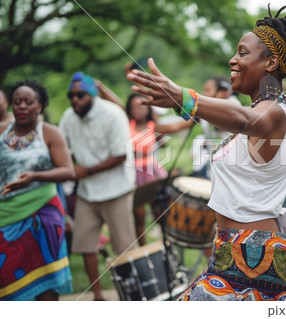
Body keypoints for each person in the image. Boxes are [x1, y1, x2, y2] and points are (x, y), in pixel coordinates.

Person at [128, 5, 286, 301]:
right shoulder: (262, 110)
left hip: (253, 253)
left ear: (271, 63)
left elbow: (242, 119)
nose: (232, 59)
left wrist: (186, 97)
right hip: (232, 250)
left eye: (243, 53)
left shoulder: (273, 112)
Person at [59, 71, 137, 301]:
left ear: (92, 94)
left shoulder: (112, 114)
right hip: (87, 192)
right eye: (71, 96)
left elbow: (121, 154)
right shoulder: (68, 116)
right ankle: (97, 296)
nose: (75, 100)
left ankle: (129, 296)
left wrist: (86, 170)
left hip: (117, 190)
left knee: (123, 248)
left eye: (80, 95)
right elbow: (62, 146)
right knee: (85, 245)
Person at [0, 79, 74, 300]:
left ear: (40, 106)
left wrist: (34, 177)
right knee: (7, 277)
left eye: (28, 102)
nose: (22, 106)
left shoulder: (50, 133)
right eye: (17, 102)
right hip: (7, 215)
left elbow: (68, 171)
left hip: (42, 214)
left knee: (46, 282)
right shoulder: (2, 132)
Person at [126, 93, 193, 246]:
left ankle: (166, 244)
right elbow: (115, 103)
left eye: (141, 106)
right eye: (133, 106)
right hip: (133, 172)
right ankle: (143, 249)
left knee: (159, 209)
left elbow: (175, 127)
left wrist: (194, 117)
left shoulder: (153, 126)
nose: (137, 109)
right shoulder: (126, 124)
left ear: (148, 108)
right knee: (139, 213)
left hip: (151, 171)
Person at [192, 76, 240, 179]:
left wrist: (196, 107)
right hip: (212, 161)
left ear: (224, 92)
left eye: (207, 90)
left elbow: (221, 125)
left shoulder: (233, 105)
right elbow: (177, 126)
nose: (204, 94)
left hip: (228, 166)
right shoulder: (207, 106)